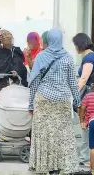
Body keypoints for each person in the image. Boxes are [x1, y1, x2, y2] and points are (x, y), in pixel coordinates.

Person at [28, 28, 80, 175]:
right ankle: (61, 166)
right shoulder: (68, 58)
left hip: (43, 99)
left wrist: (30, 104)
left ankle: (46, 166)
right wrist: (78, 101)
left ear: (48, 40)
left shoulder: (41, 57)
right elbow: (73, 82)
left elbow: (34, 82)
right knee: (62, 134)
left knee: (45, 134)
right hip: (62, 100)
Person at [72, 33, 94, 167]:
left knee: (90, 126)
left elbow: (84, 78)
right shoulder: (92, 55)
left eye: (75, 45)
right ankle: (87, 157)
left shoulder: (89, 57)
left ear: (79, 44)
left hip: (92, 97)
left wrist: (74, 93)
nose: (74, 48)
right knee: (89, 126)